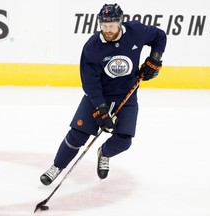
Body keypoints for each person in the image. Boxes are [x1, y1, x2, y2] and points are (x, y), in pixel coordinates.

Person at [40, 3, 167, 185]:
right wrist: (101, 109)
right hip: (99, 96)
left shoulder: (136, 31)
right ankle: (57, 166)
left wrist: (154, 58)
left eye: (111, 25)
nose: (107, 30)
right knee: (77, 135)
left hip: (127, 95)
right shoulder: (92, 47)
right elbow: (90, 84)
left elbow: (160, 36)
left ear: (120, 23)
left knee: (124, 140)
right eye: (104, 25)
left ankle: (104, 152)